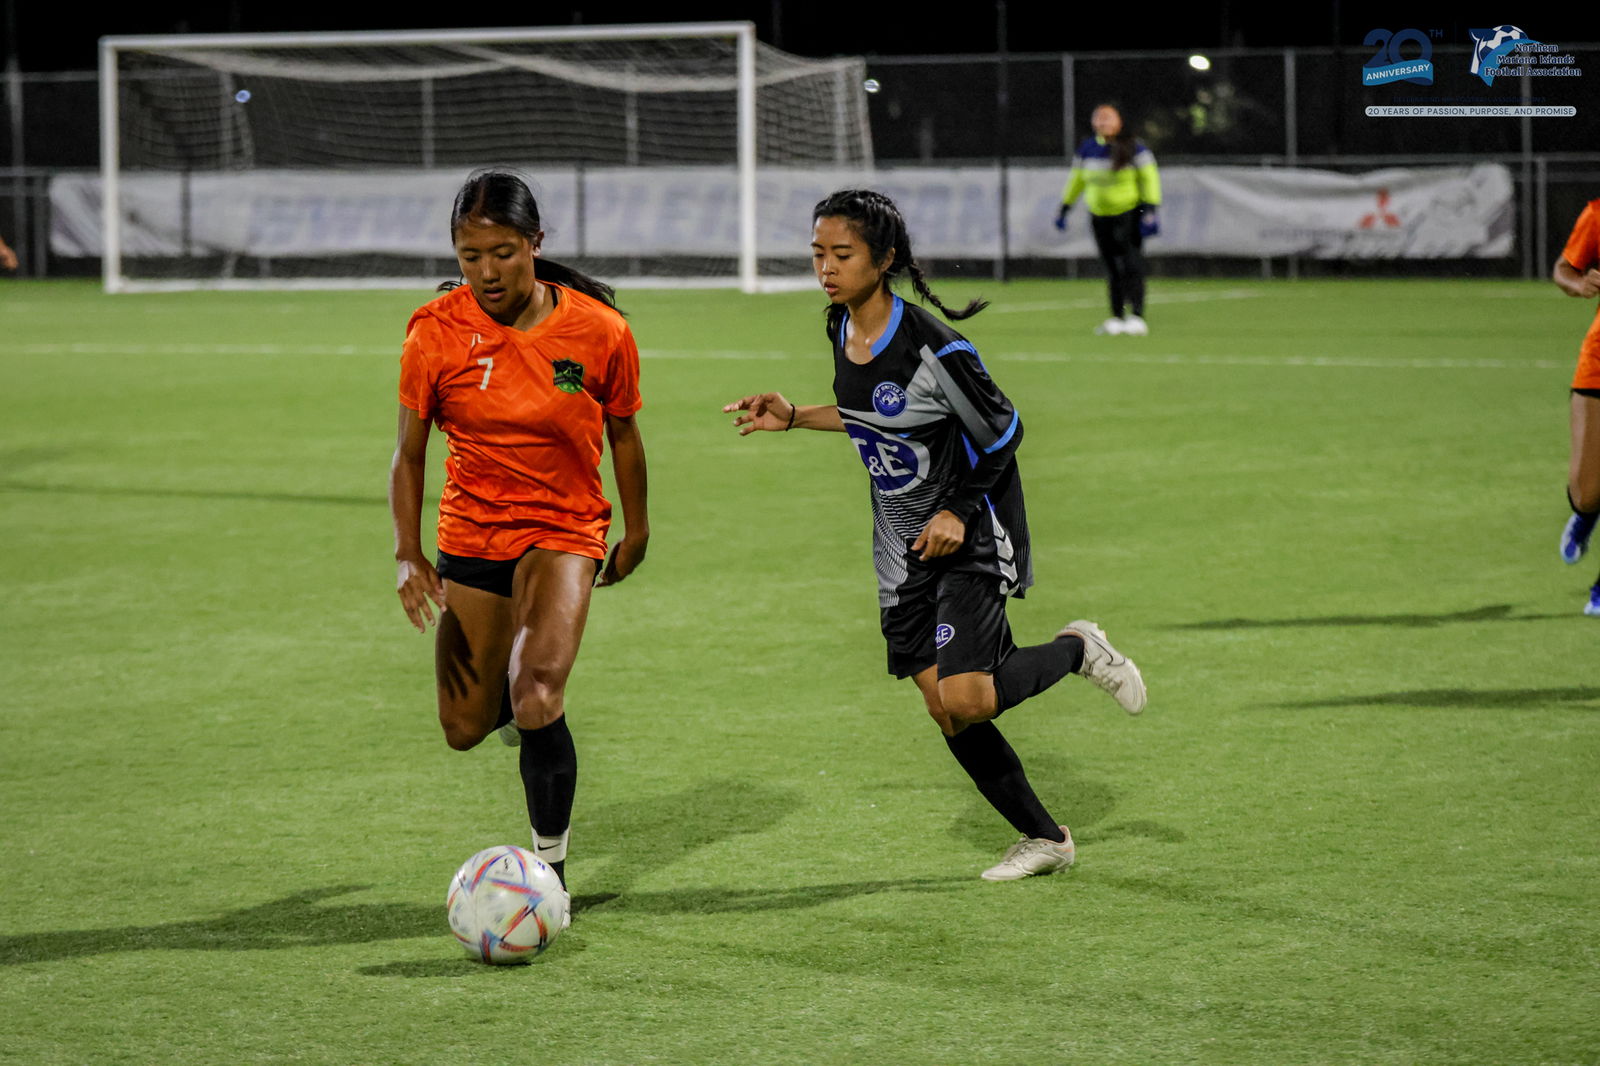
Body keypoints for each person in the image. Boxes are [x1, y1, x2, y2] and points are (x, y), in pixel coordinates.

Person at [724, 189, 1146, 882]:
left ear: (884, 259)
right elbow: (871, 417)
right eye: (817, 254)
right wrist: (796, 415)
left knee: (967, 697)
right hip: (900, 548)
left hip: (970, 531)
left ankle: (1077, 649)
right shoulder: (839, 326)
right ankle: (1046, 839)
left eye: (842, 255)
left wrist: (957, 508)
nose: (825, 268)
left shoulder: (934, 346)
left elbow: (1005, 429)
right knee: (946, 710)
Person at [389, 169, 650, 906]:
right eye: (470, 256)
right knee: (463, 728)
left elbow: (624, 432)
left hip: (565, 528)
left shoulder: (599, 331)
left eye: (502, 252)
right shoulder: (433, 331)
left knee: (537, 692)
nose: (486, 272)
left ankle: (550, 876)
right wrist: (408, 552)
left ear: (536, 243)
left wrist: (636, 528)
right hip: (472, 533)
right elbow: (409, 456)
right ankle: (508, 708)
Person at [1055, 104, 1161, 337]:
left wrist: (1151, 209)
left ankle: (1137, 316)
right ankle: (1116, 316)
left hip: (1129, 213)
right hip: (1099, 215)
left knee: (1132, 264)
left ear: (1119, 122)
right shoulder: (1087, 149)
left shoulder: (1134, 147)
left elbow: (1149, 177)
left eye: (1108, 118)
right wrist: (1065, 208)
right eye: (1099, 119)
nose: (1103, 123)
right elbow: (1077, 180)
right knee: (1112, 267)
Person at [1553, 197, 1600, 616]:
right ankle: (1586, 516)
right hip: (1599, 365)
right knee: (1586, 492)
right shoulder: (1597, 214)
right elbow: (1563, 269)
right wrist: (1578, 284)